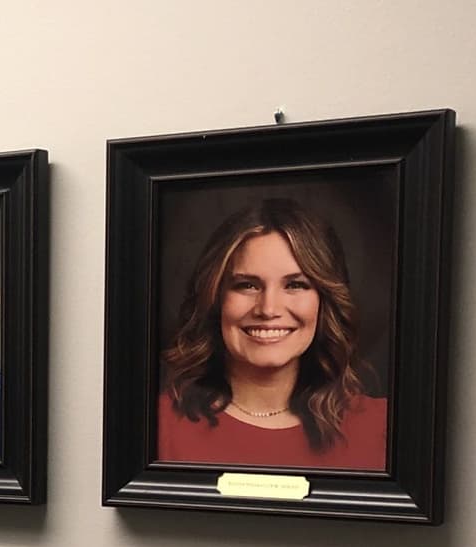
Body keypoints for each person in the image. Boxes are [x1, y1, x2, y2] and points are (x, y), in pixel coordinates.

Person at [155, 197, 387, 470]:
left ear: (325, 300)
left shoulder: (383, 427)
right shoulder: (157, 426)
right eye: (247, 285)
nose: (268, 309)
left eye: (295, 285)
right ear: (215, 298)